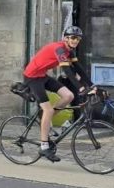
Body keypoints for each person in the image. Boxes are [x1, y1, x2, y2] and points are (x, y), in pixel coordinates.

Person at [22, 26, 94, 162]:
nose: (75, 41)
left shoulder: (69, 51)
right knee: (48, 110)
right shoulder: (60, 49)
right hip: (32, 77)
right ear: (66, 38)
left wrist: (92, 85)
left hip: (42, 76)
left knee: (69, 96)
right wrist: (80, 88)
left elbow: (79, 69)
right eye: (73, 38)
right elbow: (67, 71)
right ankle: (44, 146)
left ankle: (46, 118)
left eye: (78, 39)